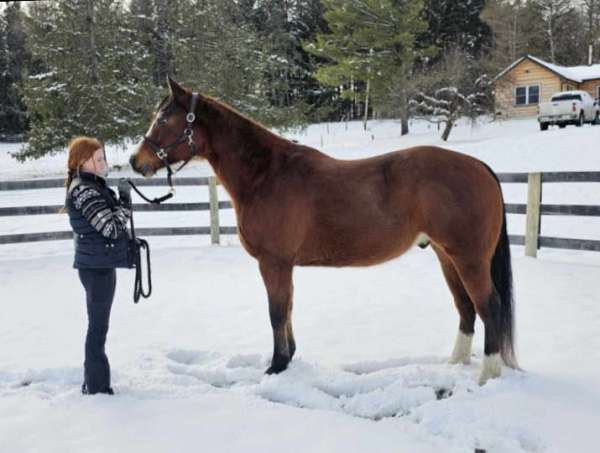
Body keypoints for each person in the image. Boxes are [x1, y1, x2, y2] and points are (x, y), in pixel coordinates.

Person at [64, 136, 133, 395]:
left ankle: (95, 381)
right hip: (96, 269)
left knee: (99, 325)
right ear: (84, 161)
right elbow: (111, 228)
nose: (105, 162)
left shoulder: (90, 186)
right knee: (97, 327)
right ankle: (96, 385)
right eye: (99, 158)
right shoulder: (84, 190)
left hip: (97, 264)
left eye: (104, 157)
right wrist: (125, 203)